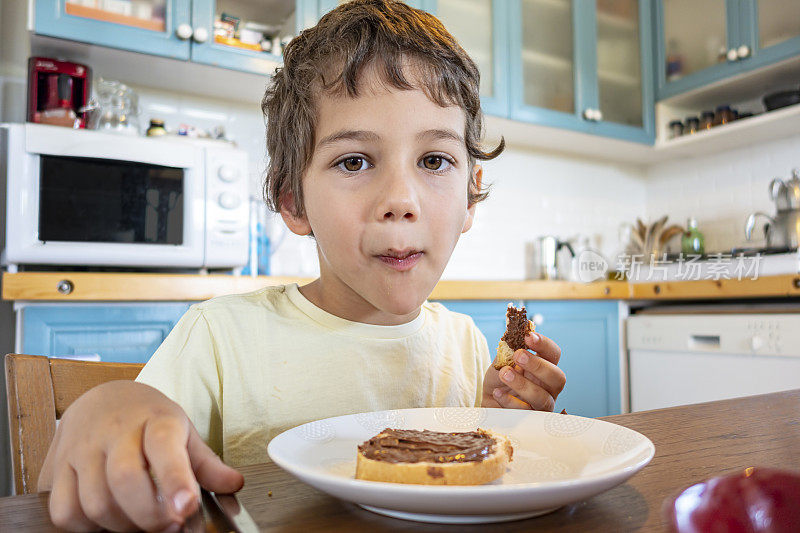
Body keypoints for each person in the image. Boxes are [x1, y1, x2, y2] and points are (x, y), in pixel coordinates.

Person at [37, 1, 566, 531]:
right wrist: (105, 411)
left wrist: (508, 422)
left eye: (434, 160)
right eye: (354, 161)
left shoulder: (469, 348)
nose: (401, 200)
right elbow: (90, 477)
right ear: (293, 201)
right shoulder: (222, 340)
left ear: (471, 199)